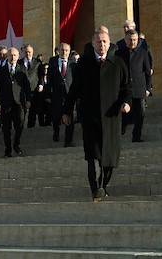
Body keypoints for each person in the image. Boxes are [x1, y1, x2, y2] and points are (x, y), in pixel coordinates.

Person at [63, 30, 132, 202]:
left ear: (109, 44)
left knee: (109, 156)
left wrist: (127, 102)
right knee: (93, 155)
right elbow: (74, 89)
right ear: (93, 44)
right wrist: (67, 110)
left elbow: (126, 88)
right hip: (90, 117)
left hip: (111, 118)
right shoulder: (84, 64)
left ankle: (103, 186)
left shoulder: (118, 63)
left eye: (105, 42)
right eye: (98, 42)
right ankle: (96, 187)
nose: (102, 45)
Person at [115, 29, 151, 142]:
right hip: (124, 89)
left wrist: (148, 88)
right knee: (124, 113)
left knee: (140, 114)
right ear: (125, 40)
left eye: (135, 40)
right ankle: (121, 132)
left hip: (139, 87)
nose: (133, 42)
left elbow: (147, 72)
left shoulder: (143, 52)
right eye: (130, 40)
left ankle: (137, 136)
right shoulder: (119, 53)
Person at [0, 47, 32, 157]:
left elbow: (27, 86)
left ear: (18, 56)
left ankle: (16, 144)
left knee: (20, 124)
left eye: (15, 55)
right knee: (6, 127)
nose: (13, 57)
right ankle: (8, 148)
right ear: (7, 57)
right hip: (6, 103)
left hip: (19, 103)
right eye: (10, 55)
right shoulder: (1, 70)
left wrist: (28, 100)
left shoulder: (22, 69)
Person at [45, 42, 75, 147]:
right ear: (59, 51)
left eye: (66, 50)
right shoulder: (53, 62)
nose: (64, 52)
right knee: (56, 116)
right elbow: (49, 80)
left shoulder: (72, 64)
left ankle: (68, 140)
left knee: (70, 116)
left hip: (69, 94)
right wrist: (48, 94)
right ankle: (56, 132)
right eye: (62, 50)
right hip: (56, 94)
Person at [21, 44, 44, 128]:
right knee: (22, 111)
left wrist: (41, 84)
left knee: (33, 111)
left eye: (29, 52)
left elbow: (41, 75)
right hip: (22, 90)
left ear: (32, 52)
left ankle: (31, 128)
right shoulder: (19, 63)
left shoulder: (37, 63)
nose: (28, 54)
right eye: (26, 52)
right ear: (23, 52)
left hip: (34, 90)